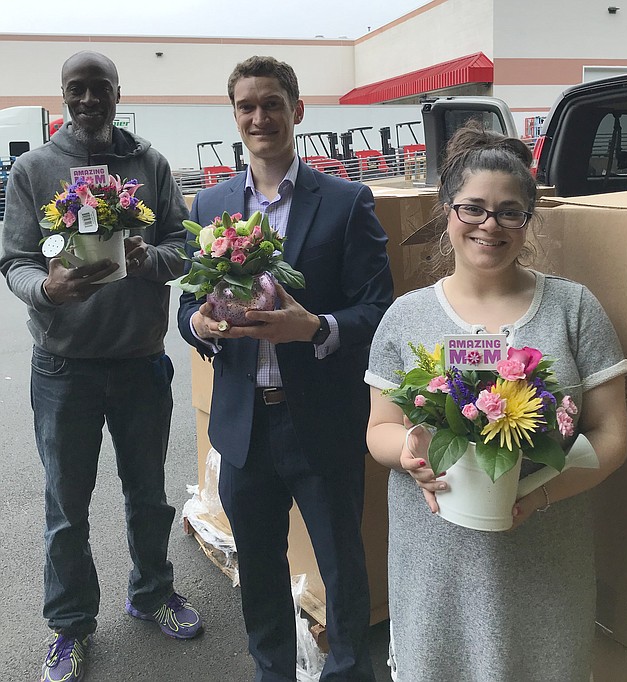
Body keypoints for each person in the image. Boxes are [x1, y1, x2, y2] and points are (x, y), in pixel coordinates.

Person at [365, 122, 627, 681]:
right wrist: (412, 455)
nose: (491, 225)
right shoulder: (407, 316)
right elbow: (380, 428)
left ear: (528, 220)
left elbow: (610, 436)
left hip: (542, 561)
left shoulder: (572, 309)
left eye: (510, 211)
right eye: (474, 208)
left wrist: (540, 495)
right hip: (434, 561)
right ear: (447, 211)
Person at [177, 55, 393, 681]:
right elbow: (191, 302)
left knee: (342, 564)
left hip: (320, 420)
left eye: (272, 103)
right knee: (260, 566)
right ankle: (272, 669)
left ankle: (349, 671)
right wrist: (200, 326)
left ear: (297, 111)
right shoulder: (211, 204)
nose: (259, 117)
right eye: (246, 106)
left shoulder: (347, 202)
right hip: (244, 428)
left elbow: (378, 310)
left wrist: (316, 328)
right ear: (235, 117)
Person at [0, 51, 203, 682]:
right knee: (67, 507)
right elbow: (15, 261)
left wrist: (150, 260)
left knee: (148, 496)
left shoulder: (149, 164)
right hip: (65, 369)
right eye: (75, 89)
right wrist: (47, 291)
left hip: (141, 361)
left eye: (100, 89)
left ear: (119, 93)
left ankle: (151, 594)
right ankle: (69, 627)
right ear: (62, 94)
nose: (87, 100)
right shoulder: (35, 169)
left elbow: (185, 242)